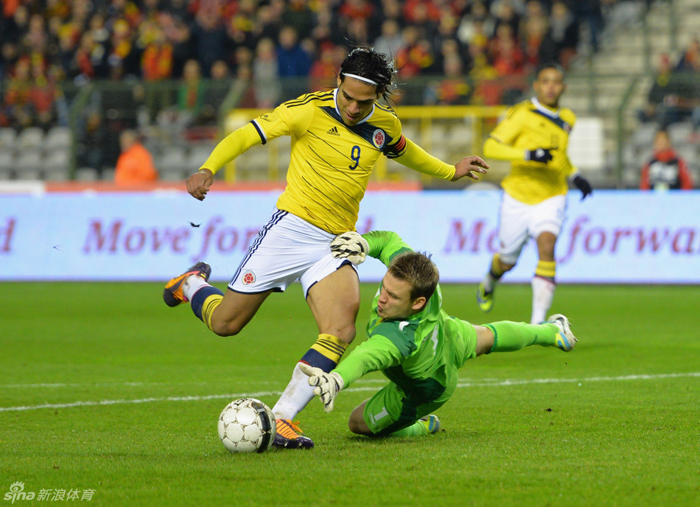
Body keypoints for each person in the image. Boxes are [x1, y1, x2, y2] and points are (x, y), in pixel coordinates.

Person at [162, 47, 489, 450]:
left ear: (379, 96)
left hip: (336, 242)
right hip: (291, 230)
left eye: (363, 101)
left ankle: (282, 417)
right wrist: (209, 166)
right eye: (347, 96)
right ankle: (191, 285)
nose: (353, 107)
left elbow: (408, 152)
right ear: (338, 82)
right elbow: (248, 133)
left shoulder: (384, 125)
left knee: (341, 328)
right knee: (226, 324)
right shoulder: (308, 110)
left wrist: (450, 170)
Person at [300, 230, 578, 439]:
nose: (382, 299)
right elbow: (389, 241)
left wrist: (337, 379)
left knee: (357, 424)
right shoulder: (421, 281)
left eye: (393, 296)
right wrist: (365, 243)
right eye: (384, 288)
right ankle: (554, 332)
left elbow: (365, 357)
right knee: (488, 337)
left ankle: (420, 425)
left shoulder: (398, 338)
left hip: (429, 387)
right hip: (450, 334)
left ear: (417, 303)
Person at [477, 62, 592, 325]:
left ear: (564, 87)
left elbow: (558, 157)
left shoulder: (568, 119)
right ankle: (490, 280)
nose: (551, 86)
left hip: (552, 194)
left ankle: (537, 325)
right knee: (506, 261)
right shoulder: (521, 114)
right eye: (545, 81)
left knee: (547, 246)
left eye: (556, 82)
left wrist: (575, 175)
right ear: (536, 85)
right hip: (518, 196)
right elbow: (491, 147)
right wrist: (528, 154)